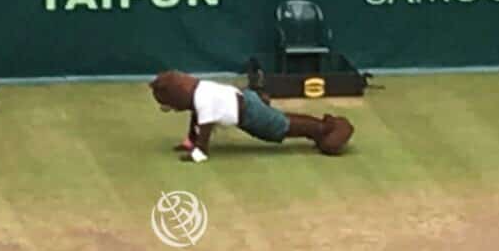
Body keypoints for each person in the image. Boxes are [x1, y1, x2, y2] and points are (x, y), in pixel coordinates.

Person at [149, 70, 354, 159]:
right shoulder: (198, 92)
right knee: (283, 122)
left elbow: (205, 131)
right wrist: (189, 143)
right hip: (246, 101)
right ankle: (321, 128)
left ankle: (327, 128)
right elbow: (195, 119)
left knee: (281, 127)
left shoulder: (202, 100)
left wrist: (198, 153)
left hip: (249, 113)